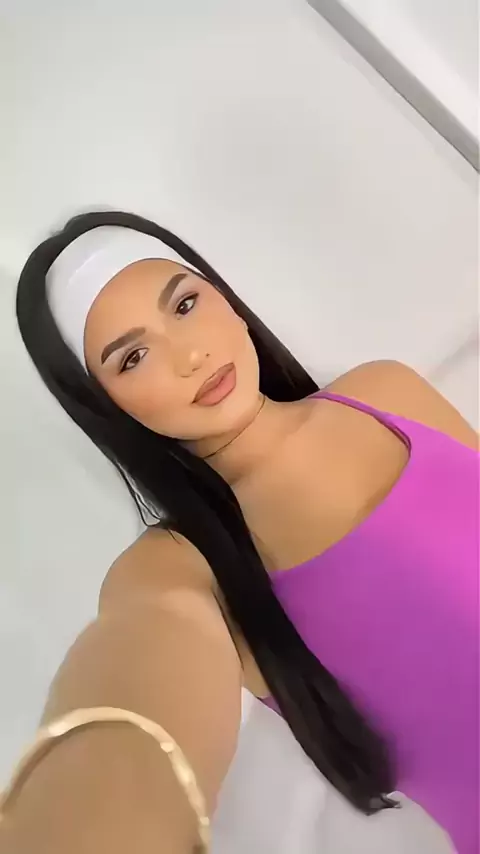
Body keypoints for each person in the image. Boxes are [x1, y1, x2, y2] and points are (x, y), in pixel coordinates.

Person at [2, 209, 478, 854]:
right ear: (105, 405)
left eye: (186, 303)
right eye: (134, 356)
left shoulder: (387, 392)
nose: (191, 354)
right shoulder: (180, 565)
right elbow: (140, 661)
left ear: (224, 298)